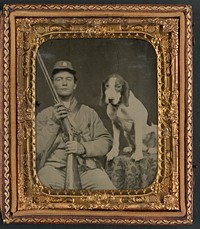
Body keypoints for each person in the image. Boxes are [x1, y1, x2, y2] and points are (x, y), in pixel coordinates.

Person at [36, 60, 116, 190]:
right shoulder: (44, 115)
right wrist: (54, 122)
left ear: (75, 84)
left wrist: (83, 148)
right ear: (53, 84)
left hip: (86, 169)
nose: (64, 83)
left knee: (108, 191)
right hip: (53, 169)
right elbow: (37, 149)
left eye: (68, 79)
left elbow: (106, 141)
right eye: (59, 79)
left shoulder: (89, 112)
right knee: (42, 189)